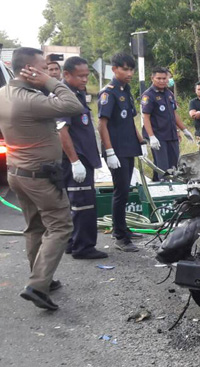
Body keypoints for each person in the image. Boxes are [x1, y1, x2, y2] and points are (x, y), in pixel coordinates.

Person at [0, 47, 84, 310]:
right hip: (40, 176)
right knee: (60, 226)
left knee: (35, 227)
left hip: (17, 173)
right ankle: (37, 286)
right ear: (28, 69)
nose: (47, 72)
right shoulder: (30, 99)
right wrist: (49, 82)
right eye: (42, 67)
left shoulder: (4, 94)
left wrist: (43, 82)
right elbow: (74, 105)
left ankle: (43, 277)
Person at [58, 56, 108, 260]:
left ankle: (73, 243)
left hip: (84, 158)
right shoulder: (64, 96)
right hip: (76, 160)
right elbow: (62, 131)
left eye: (87, 75)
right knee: (82, 205)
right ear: (67, 74)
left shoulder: (77, 93)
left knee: (79, 204)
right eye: (80, 76)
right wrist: (74, 161)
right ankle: (83, 247)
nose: (85, 79)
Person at [97, 52, 145, 253]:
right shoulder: (108, 93)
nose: (130, 73)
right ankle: (119, 236)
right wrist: (110, 152)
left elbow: (130, 120)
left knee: (126, 191)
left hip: (128, 148)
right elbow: (102, 125)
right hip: (115, 150)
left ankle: (124, 228)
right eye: (125, 69)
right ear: (114, 69)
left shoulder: (126, 89)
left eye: (131, 69)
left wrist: (140, 139)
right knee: (121, 191)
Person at [141, 67, 194, 180]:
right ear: (152, 78)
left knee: (175, 166)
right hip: (158, 137)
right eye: (158, 78)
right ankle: (164, 191)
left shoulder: (169, 93)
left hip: (171, 135)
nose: (161, 81)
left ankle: (159, 187)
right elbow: (145, 117)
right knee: (162, 168)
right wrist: (151, 136)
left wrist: (184, 130)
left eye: (164, 78)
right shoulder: (148, 95)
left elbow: (174, 114)